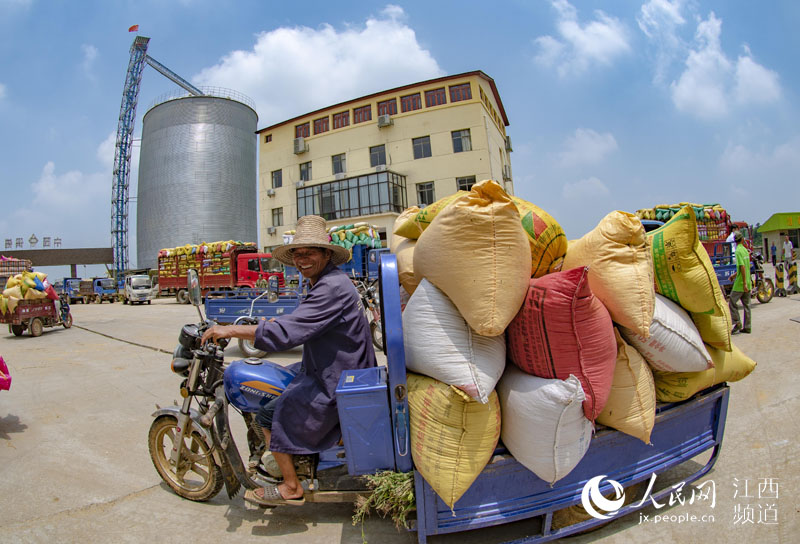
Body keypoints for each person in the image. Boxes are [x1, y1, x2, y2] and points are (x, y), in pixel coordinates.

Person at [200, 215, 377, 506]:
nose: (302, 259)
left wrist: (230, 328)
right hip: (334, 365)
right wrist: (265, 324)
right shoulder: (326, 281)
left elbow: (288, 332)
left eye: (310, 253)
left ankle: (291, 485)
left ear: (326, 254)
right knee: (278, 378)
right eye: (297, 253)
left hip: (338, 376)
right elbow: (303, 322)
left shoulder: (330, 287)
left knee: (271, 413)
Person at [729, 231, 752, 335]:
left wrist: (743, 284)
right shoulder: (745, 251)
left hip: (741, 284)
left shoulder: (738, 251)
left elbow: (742, 266)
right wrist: (734, 275)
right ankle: (747, 327)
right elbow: (745, 267)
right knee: (747, 305)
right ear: (742, 240)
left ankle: (737, 322)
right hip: (747, 280)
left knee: (732, 302)